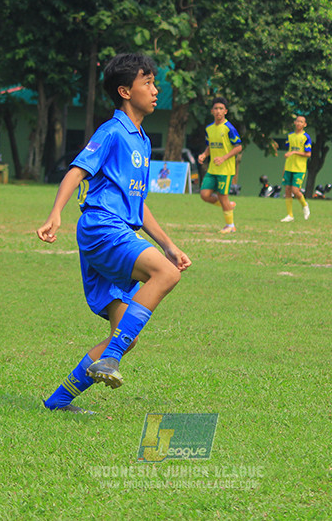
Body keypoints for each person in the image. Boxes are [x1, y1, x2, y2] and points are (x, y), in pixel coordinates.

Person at [36, 53, 191, 414]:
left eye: (154, 82)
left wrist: (167, 244)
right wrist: (55, 214)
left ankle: (59, 401)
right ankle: (111, 358)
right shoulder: (112, 131)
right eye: (147, 83)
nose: (155, 90)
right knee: (166, 275)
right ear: (125, 91)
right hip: (103, 227)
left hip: (117, 228)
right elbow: (77, 171)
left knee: (125, 334)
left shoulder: (142, 140)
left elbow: (137, 202)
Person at [197, 97, 243, 233]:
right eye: (216, 108)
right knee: (204, 194)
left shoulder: (229, 128)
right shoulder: (209, 129)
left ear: (225, 111)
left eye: (221, 109)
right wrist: (204, 155)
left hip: (225, 170)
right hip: (213, 169)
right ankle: (227, 205)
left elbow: (238, 147)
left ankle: (230, 226)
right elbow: (210, 146)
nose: (218, 111)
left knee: (223, 196)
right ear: (212, 111)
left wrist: (224, 158)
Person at [280, 114, 312, 222]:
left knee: (295, 190)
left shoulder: (306, 137)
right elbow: (288, 151)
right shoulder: (290, 136)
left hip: (299, 168)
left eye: (301, 122)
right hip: (289, 167)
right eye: (297, 121)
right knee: (287, 190)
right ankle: (290, 215)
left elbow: (308, 154)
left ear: (305, 124)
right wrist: (284, 168)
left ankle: (305, 205)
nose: (299, 123)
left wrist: (294, 152)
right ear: (294, 122)